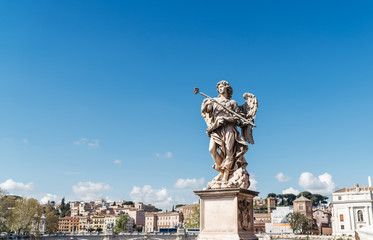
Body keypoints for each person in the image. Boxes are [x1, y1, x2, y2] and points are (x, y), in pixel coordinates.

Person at [201, 80, 249, 185]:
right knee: (211, 149)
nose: (220, 88)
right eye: (219, 87)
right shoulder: (213, 101)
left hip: (229, 128)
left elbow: (237, 119)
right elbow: (205, 111)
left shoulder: (232, 103)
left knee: (229, 152)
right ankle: (222, 171)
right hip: (216, 128)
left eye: (222, 86)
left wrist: (227, 119)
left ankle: (226, 177)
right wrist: (206, 104)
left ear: (227, 89)